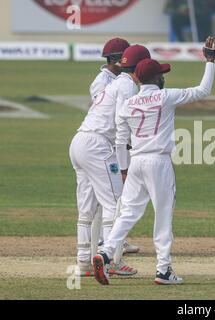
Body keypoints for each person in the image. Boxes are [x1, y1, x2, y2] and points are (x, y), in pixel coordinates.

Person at [92, 37, 215, 286]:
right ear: (157, 78)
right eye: (161, 74)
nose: (163, 77)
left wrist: (124, 169)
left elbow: (120, 140)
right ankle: (163, 270)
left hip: (136, 162)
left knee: (127, 213)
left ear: (137, 79)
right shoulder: (165, 96)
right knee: (163, 215)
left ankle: (105, 252)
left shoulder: (127, 104)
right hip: (159, 162)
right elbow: (204, 90)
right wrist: (210, 61)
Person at [69, 44, 151, 277]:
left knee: (87, 210)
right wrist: (125, 164)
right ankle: (110, 262)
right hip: (98, 145)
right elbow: (123, 125)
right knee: (115, 204)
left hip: (80, 141)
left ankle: (84, 261)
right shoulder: (126, 86)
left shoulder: (116, 83)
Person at [89, 38, 140, 262]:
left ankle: (111, 240)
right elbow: (111, 115)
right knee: (110, 197)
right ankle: (106, 244)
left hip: (110, 141)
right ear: (115, 59)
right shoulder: (103, 81)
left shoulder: (117, 79)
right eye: (124, 57)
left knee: (109, 195)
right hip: (104, 143)